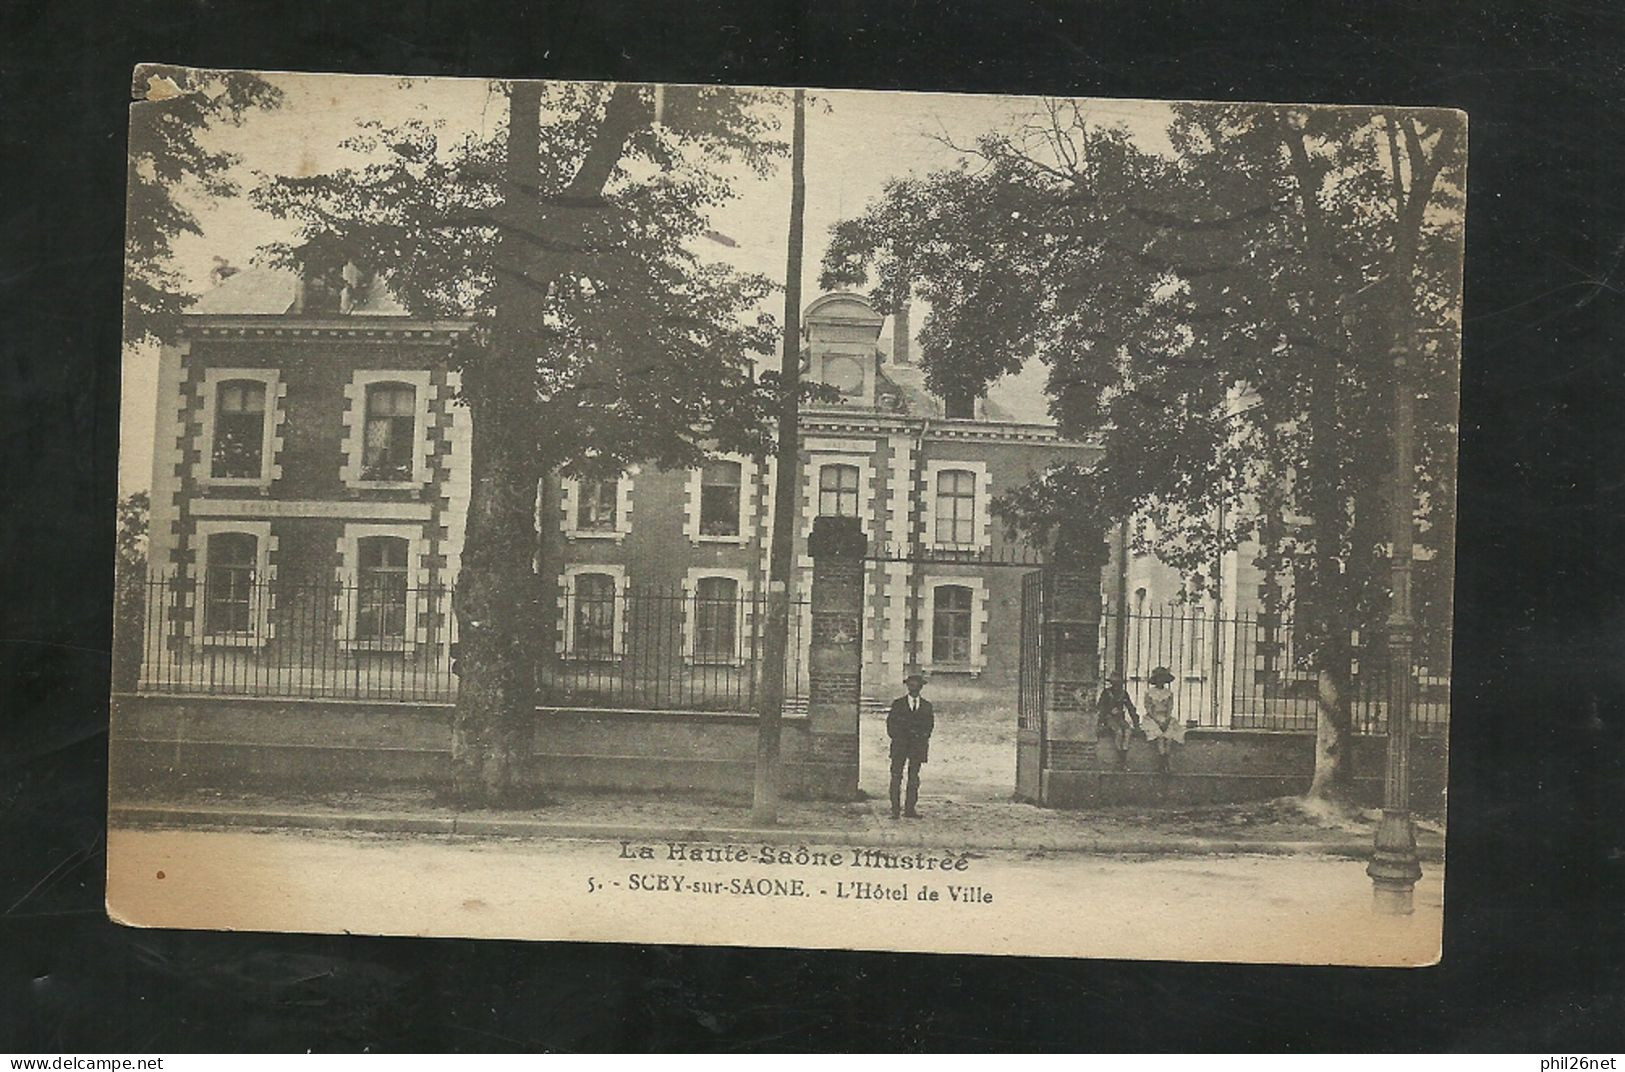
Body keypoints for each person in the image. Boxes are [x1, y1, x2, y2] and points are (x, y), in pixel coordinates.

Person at [887, 671, 934, 819]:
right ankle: (895, 810)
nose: (913, 687)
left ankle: (910, 809)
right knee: (896, 777)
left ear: (921, 687)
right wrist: (898, 737)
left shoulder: (926, 706)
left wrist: (921, 738)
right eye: (910, 684)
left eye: (916, 684)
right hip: (900, 745)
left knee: (914, 778)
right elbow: (891, 724)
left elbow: (929, 726)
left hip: (917, 747)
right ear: (907, 686)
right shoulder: (898, 704)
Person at [1141, 665, 1185, 772]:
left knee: (1169, 738)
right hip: (1152, 718)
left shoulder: (1169, 693)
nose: (1160, 681)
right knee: (1160, 737)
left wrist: (1167, 719)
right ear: (1155, 680)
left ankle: (1167, 763)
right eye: (1158, 678)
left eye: (1162, 678)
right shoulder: (1149, 693)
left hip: (1165, 717)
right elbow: (1148, 708)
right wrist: (1157, 721)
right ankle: (1162, 763)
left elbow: (1170, 708)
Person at [1096, 672, 1139, 770]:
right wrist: (1108, 711)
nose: (1116, 686)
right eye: (1114, 683)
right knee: (1119, 732)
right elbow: (1100, 707)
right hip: (1109, 718)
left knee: (1128, 731)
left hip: (1120, 718)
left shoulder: (1123, 693)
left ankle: (1123, 758)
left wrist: (1136, 721)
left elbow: (1130, 707)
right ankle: (1121, 760)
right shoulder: (1106, 693)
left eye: (1118, 683)